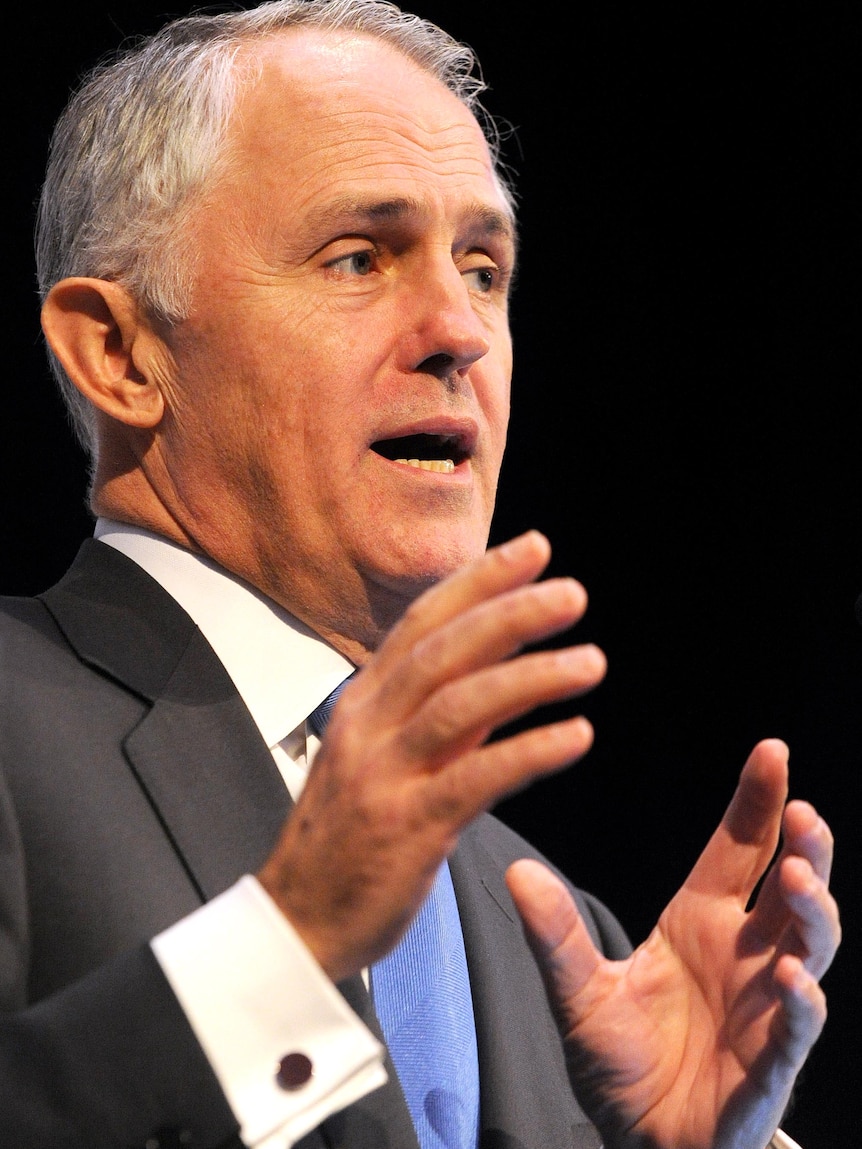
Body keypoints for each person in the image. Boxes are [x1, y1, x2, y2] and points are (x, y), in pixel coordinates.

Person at [0, 1, 839, 1147]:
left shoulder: (547, 926)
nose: (460, 331)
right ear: (121, 352)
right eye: (358, 257)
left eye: (484, 268)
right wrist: (278, 957)